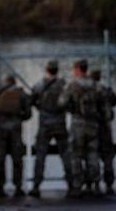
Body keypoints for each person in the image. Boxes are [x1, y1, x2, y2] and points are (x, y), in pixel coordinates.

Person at [58, 59, 107, 198]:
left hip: (77, 124)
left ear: (78, 69)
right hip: (93, 124)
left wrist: (72, 109)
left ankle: (78, 186)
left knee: (76, 155)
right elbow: (104, 106)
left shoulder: (72, 85)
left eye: (74, 69)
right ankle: (96, 185)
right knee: (93, 155)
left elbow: (61, 103)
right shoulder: (97, 86)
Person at [29, 59, 71, 197]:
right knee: (65, 154)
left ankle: (36, 185)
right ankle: (72, 184)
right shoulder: (63, 85)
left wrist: (41, 107)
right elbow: (69, 102)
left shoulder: (39, 85)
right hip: (60, 122)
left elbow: (32, 100)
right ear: (57, 70)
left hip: (45, 123)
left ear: (46, 70)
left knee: (40, 155)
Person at [0, 75, 31, 198]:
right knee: (17, 158)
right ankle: (18, 187)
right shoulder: (21, 94)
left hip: (0, 129)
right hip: (16, 129)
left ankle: (0, 187)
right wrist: (18, 118)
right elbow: (28, 114)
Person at [90, 69, 116, 195]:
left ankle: (95, 184)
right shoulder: (106, 90)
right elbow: (115, 101)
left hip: (92, 126)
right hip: (106, 127)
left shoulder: (87, 91)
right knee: (107, 157)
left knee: (92, 156)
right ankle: (109, 185)